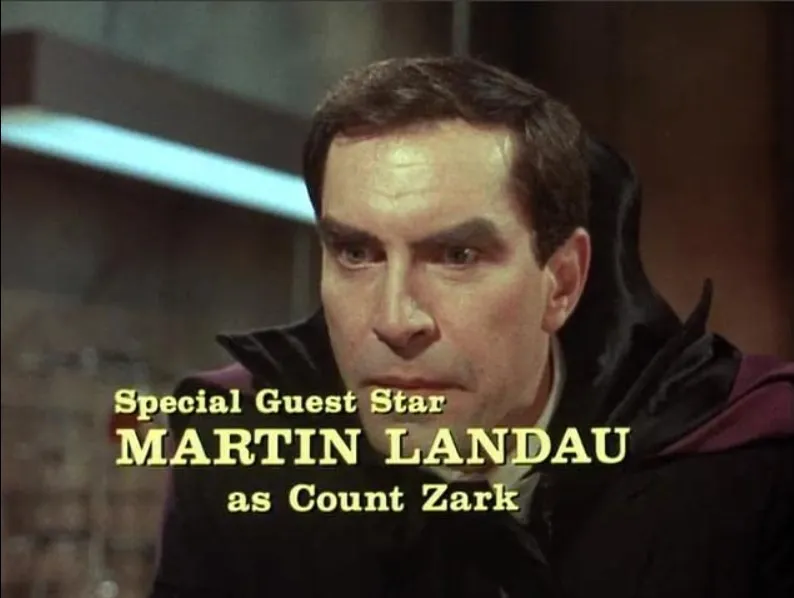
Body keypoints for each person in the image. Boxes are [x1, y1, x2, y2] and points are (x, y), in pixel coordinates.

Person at [143, 56, 793, 598]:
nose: (395, 320)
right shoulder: (241, 460)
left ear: (562, 282)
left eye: (457, 256)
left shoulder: (746, 480)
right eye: (357, 253)